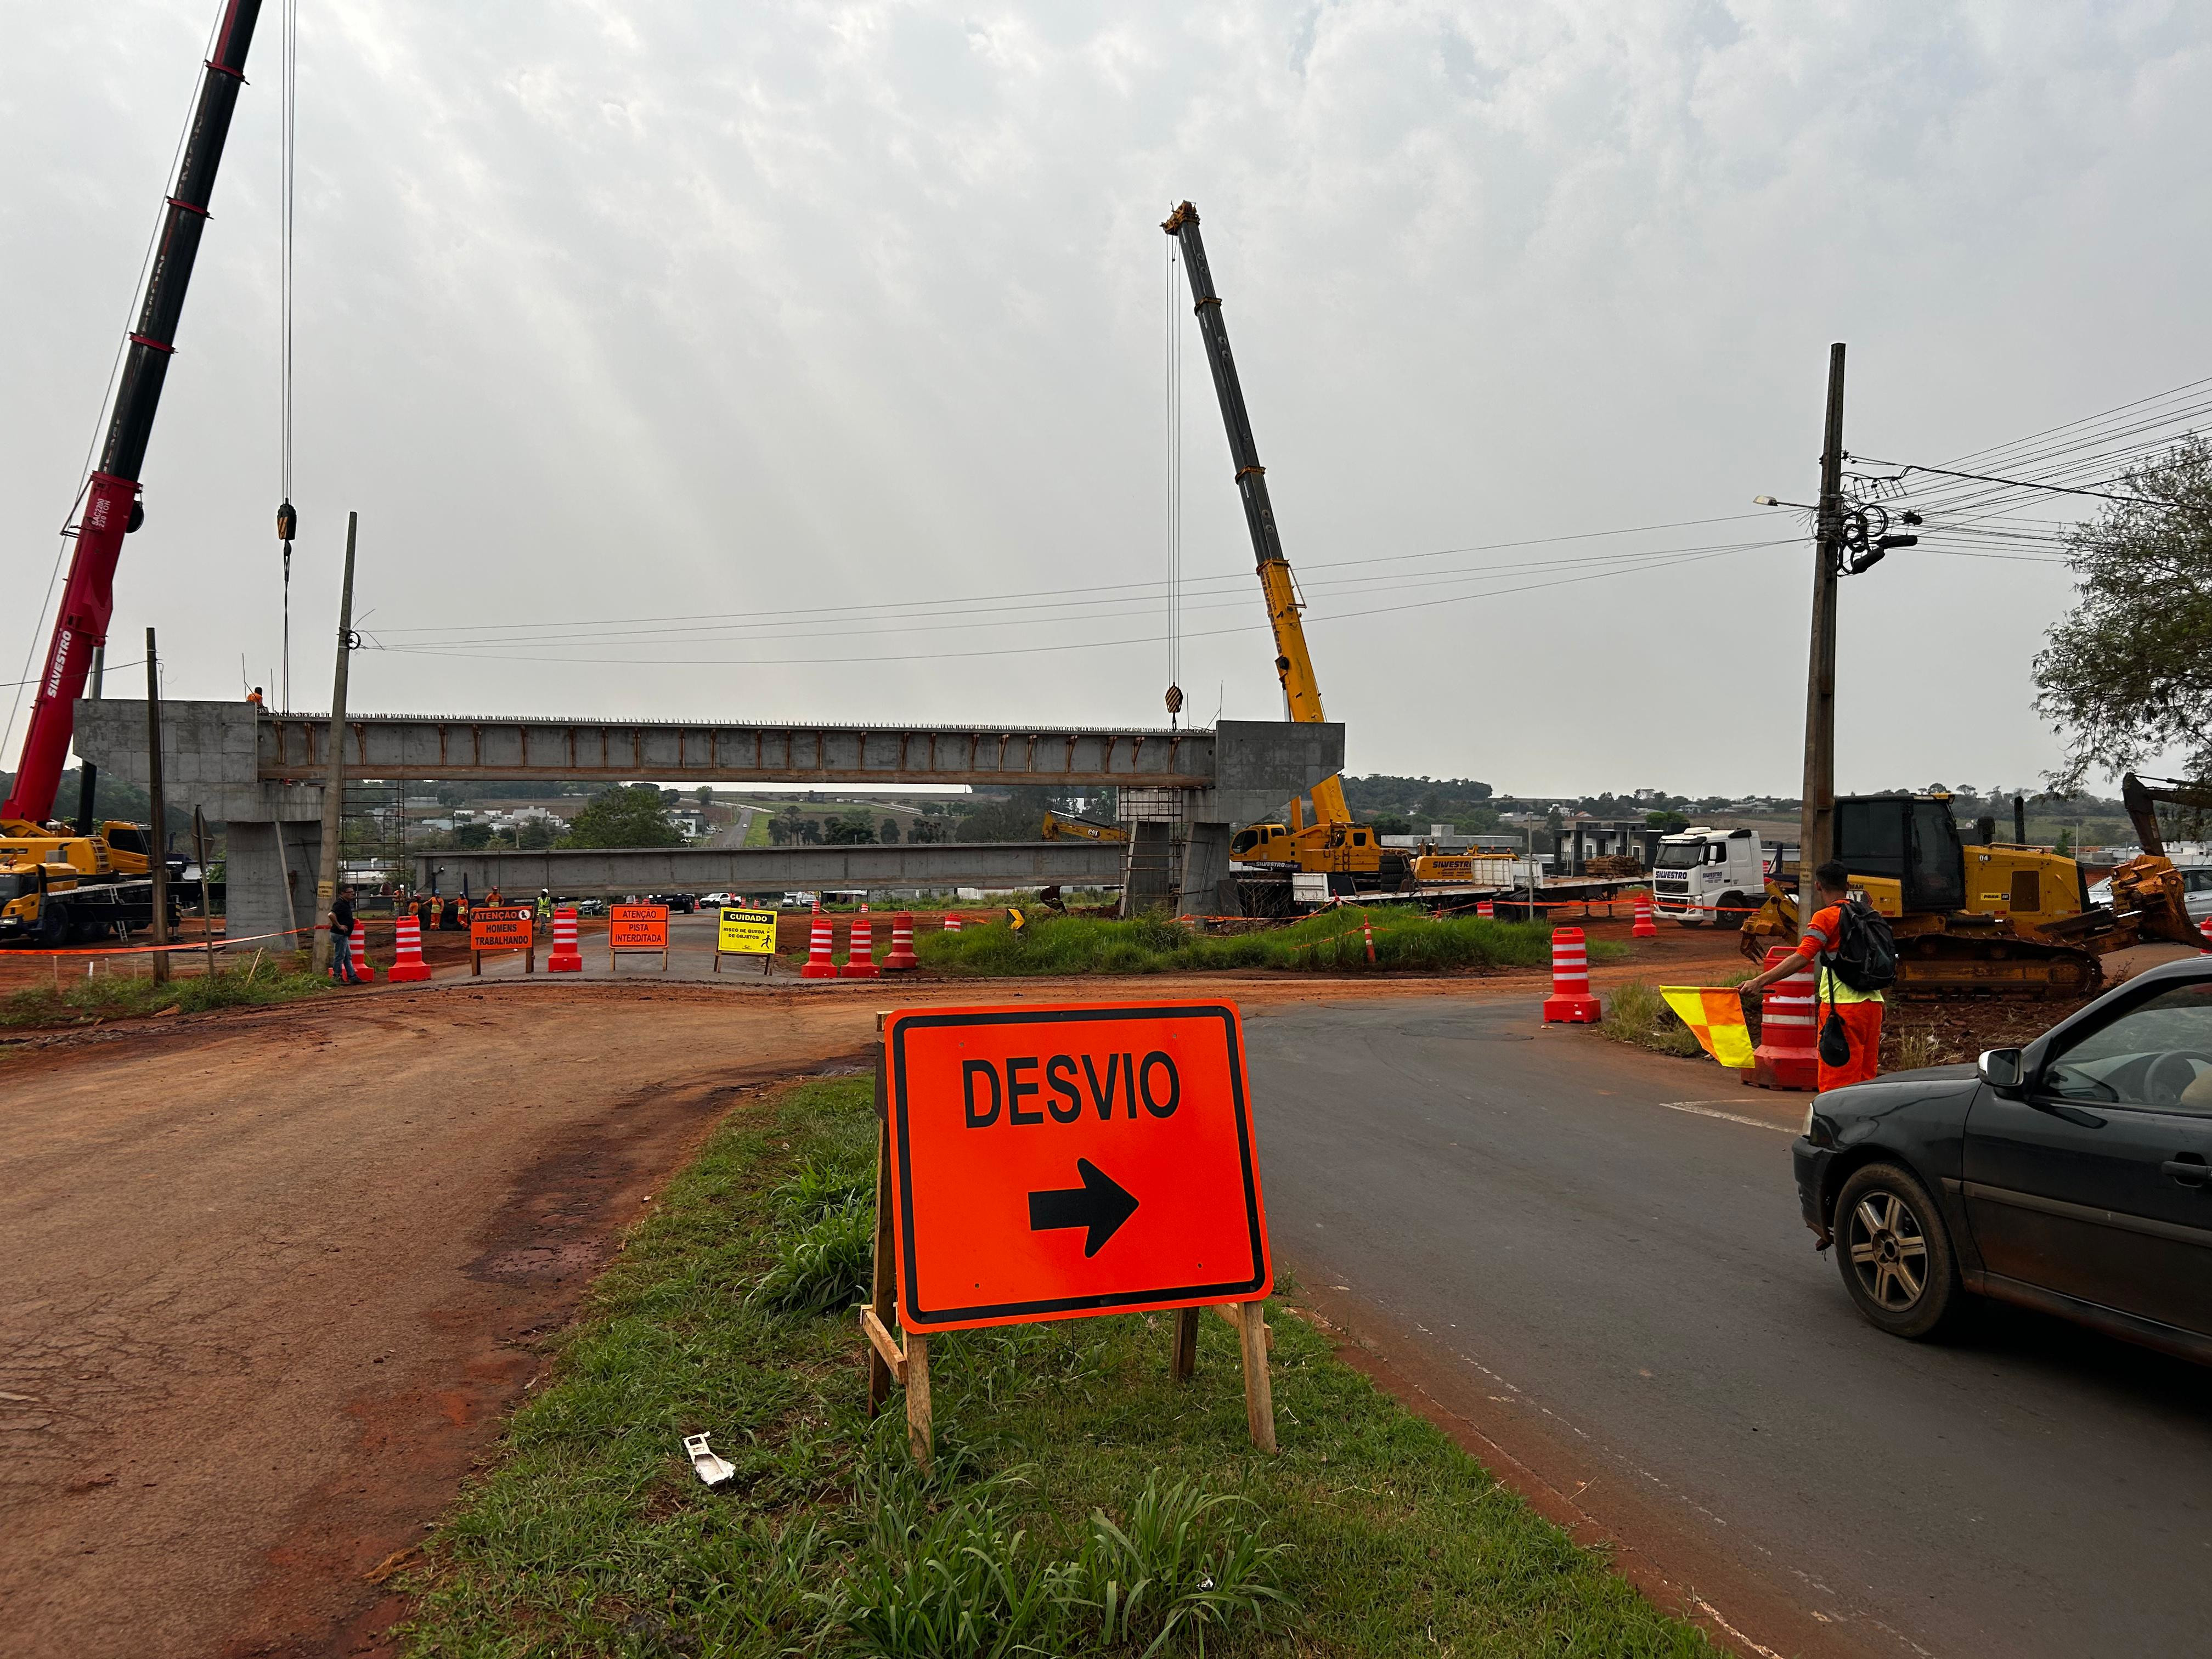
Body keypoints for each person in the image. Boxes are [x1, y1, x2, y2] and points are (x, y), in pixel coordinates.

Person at [1739, 859, 1883, 1088]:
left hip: (1842, 1009)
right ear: (1847, 885)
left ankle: (1832, 1124)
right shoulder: (1869, 914)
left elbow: (1802, 957)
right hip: (1874, 1006)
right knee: (1865, 1083)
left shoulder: (1826, 917)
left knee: (1836, 1084)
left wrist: (1759, 981)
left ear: (1818, 886)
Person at [329, 884, 363, 984]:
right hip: (340, 934)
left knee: (347, 956)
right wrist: (339, 926)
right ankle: (336, 976)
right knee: (340, 956)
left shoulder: (346, 903)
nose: (352, 894)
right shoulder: (340, 904)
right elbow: (331, 915)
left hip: (344, 935)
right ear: (343, 893)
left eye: (353, 892)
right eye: (349, 892)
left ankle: (352, 976)